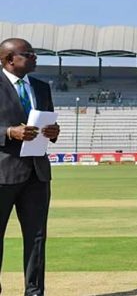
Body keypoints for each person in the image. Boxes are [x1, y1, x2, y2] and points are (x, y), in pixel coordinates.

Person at [0, 38, 60, 295]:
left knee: (37, 239)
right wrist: (9, 132)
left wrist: (53, 131)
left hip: (37, 174)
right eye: (28, 54)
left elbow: (49, 123)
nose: (35, 58)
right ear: (9, 59)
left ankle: (34, 292)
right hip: (2, 174)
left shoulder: (41, 87)